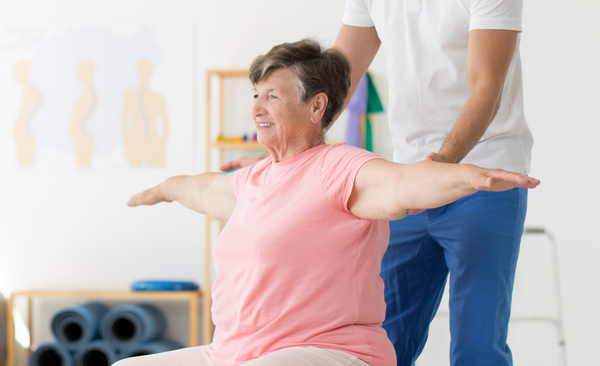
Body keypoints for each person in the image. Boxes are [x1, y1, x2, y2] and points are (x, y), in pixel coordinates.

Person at [120, 39, 538, 366]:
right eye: (255, 95)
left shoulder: (340, 167)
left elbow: (403, 184)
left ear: (316, 105)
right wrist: (163, 189)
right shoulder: (253, 179)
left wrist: (474, 176)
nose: (257, 108)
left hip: (331, 351)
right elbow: (204, 190)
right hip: (235, 352)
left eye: (272, 96)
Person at [224, 2, 531, 365]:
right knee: (386, 339)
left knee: (477, 347)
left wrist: (441, 166)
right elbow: (337, 81)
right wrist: (282, 158)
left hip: (484, 175)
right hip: (406, 178)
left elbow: (487, 89)